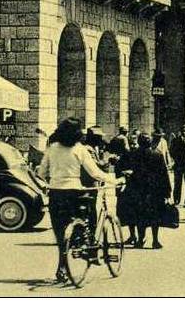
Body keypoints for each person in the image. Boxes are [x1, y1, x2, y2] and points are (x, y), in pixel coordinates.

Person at [37, 117, 123, 284]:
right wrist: (116, 180)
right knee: (83, 218)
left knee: (60, 232)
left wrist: (48, 183)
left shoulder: (52, 148)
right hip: (74, 191)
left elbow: (41, 173)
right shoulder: (80, 149)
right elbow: (95, 173)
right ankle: (84, 244)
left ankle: (62, 267)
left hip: (55, 193)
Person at [124, 132, 171, 249]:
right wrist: (167, 191)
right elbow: (164, 174)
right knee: (155, 216)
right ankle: (155, 240)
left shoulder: (134, 154)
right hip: (155, 190)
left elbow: (131, 171)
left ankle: (140, 240)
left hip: (139, 189)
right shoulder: (157, 154)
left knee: (140, 215)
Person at [170, 126, 185, 205]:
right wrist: (176, 159)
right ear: (180, 131)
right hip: (178, 164)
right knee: (177, 183)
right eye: (183, 131)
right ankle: (176, 200)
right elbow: (171, 151)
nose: (184, 133)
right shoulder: (175, 140)